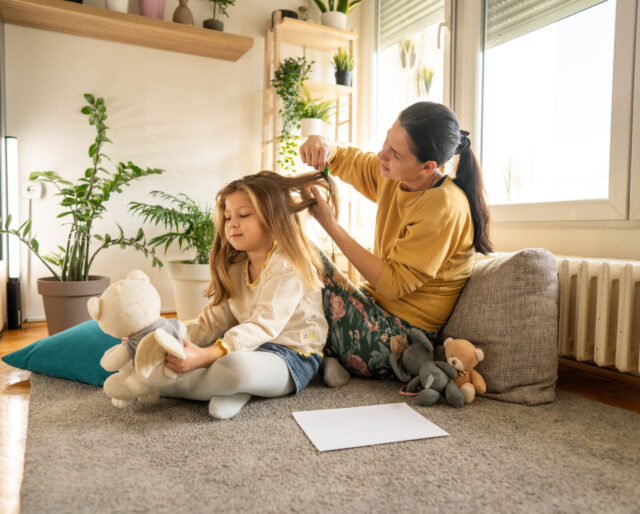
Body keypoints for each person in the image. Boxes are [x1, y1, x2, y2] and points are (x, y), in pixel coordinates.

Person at [298, 101, 492, 385]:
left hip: (399, 341)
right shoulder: (394, 174)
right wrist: (323, 144)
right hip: (373, 311)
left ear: (427, 167)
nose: (381, 154)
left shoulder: (444, 206)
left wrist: (331, 225)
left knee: (299, 250)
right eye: (387, 140)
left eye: (395, 153)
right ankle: (305, 359)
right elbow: (347, 160)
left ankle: (301, 360)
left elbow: (391, 284)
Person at [159, 170, 339, 419]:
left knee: (233, 366)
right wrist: (165, 337)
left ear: (273, 218)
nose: (232, 223)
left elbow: (263, 324)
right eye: (227, 217)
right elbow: (211, 322)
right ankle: (236, 390)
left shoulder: (289, 265)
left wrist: (205, 356)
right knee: (220, 357)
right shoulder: (235, 267)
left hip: (293, 355)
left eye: (243, 215)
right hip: (252, 348)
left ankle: (155, 386)